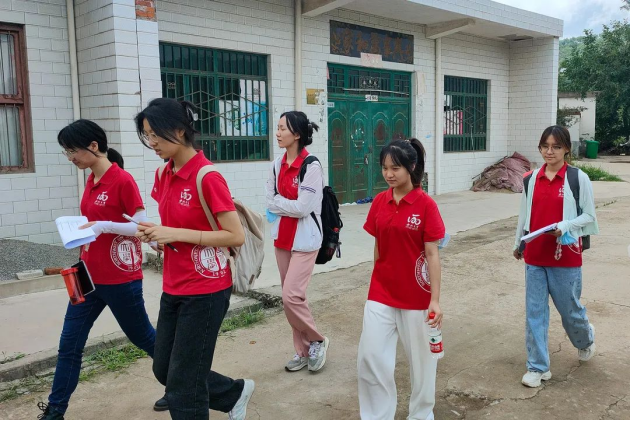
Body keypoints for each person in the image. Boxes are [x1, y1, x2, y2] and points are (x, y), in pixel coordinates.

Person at [134, 98, 254, 420]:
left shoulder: (207, 176)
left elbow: (234, 235)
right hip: (174, 284)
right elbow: (176, 226)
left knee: (184, 386)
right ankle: (234, 393)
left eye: (155, 134)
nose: (151, 142)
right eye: (146, 135)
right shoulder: (164, 173)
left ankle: (222, 397)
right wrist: (157, 236)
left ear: (179, 130)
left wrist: (175, 233)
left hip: (206, 289)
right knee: (164, 369)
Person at [38, 120, 161, 421]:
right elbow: (93, 222)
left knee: (145, 339)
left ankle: (188, 383)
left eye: (73, 151)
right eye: (66, 152)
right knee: (69, 345)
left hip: (120, 279)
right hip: (86, 277)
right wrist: (77, 231)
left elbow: (141, 227)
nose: (71, 158)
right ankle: (55, 411)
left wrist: (104, 226)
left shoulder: (122, 180)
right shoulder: (91, 180)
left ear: (93, 146)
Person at [358, 138, 445, 420]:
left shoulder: (426, 205)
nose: (388, 174)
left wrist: (435, 300)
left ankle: (421, 414)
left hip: (416, 295)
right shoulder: (380, 201)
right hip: (381, 291)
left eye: (395, 168)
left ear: (412, 166)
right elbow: (378, 245)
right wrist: (377, 276)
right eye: (384, 168)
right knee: (371, 357)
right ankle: (376, 415)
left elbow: (432, 254)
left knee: (422, 363)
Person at [513, 125, 599, 388]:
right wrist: (519, 243)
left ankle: (585, 338)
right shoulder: (530, 179)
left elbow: (589, 216)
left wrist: (566, 226)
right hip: (535, 256)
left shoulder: (577, 178)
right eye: (545, 146)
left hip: (566, 257)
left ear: (566, 149)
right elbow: (524, 215)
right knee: (535, 313)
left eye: (556, 147)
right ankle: (537, 367)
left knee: (570, 311)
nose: (549, 152)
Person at [265, 111, 330, 373]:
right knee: (289, 299)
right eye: (278, 127)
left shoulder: (311, 166)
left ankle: (317, 340)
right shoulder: (276, 165)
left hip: (305, 240)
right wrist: (284, 204)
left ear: (297, 134)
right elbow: (268, 202)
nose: (278, 133)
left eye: (283, 129)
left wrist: (280, 203)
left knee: (291, 296)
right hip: (282, 239)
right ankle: (302, 350)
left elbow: (304, 208)